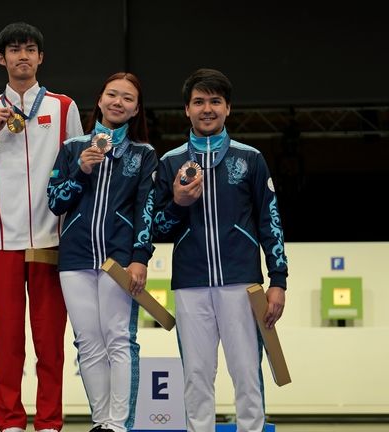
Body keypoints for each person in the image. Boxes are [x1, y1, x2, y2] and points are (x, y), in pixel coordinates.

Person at [152, 68, 288, 432]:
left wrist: (279, 280)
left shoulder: (251, 159)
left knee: (246, 371)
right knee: (196, 374)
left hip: (241, 282)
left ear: (228, 108)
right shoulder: (170, 163)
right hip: (190, 284)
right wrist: (178, 202)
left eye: (215, 101)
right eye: (199, 102)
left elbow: (270, 222)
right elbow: (154, 228)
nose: (207, 109)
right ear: (186, 110)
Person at [0, 22, 83, 432]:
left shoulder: (64, 108)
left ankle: (49, 422)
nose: (23, 57)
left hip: (52, 239)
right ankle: (10, 422)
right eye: (14, 51)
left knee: (50, 344)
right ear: (2, 59)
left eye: (30, 49)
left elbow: (78, 175)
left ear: (41, 57)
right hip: (2, 244)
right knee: (8, 342)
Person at [47, 72, 157, 432]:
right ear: (99, 99)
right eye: (112, 94)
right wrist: (80, 171)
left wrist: (140, 257)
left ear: (136, 109)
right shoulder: (73, 147)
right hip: (75, 258)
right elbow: (54, 202)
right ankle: (101, 421)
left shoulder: (143, 155)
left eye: (127, 98)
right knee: (88, 342)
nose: (118, 102)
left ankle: (118, 424)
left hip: (118, 259)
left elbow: (147, 208)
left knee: (119, 339)